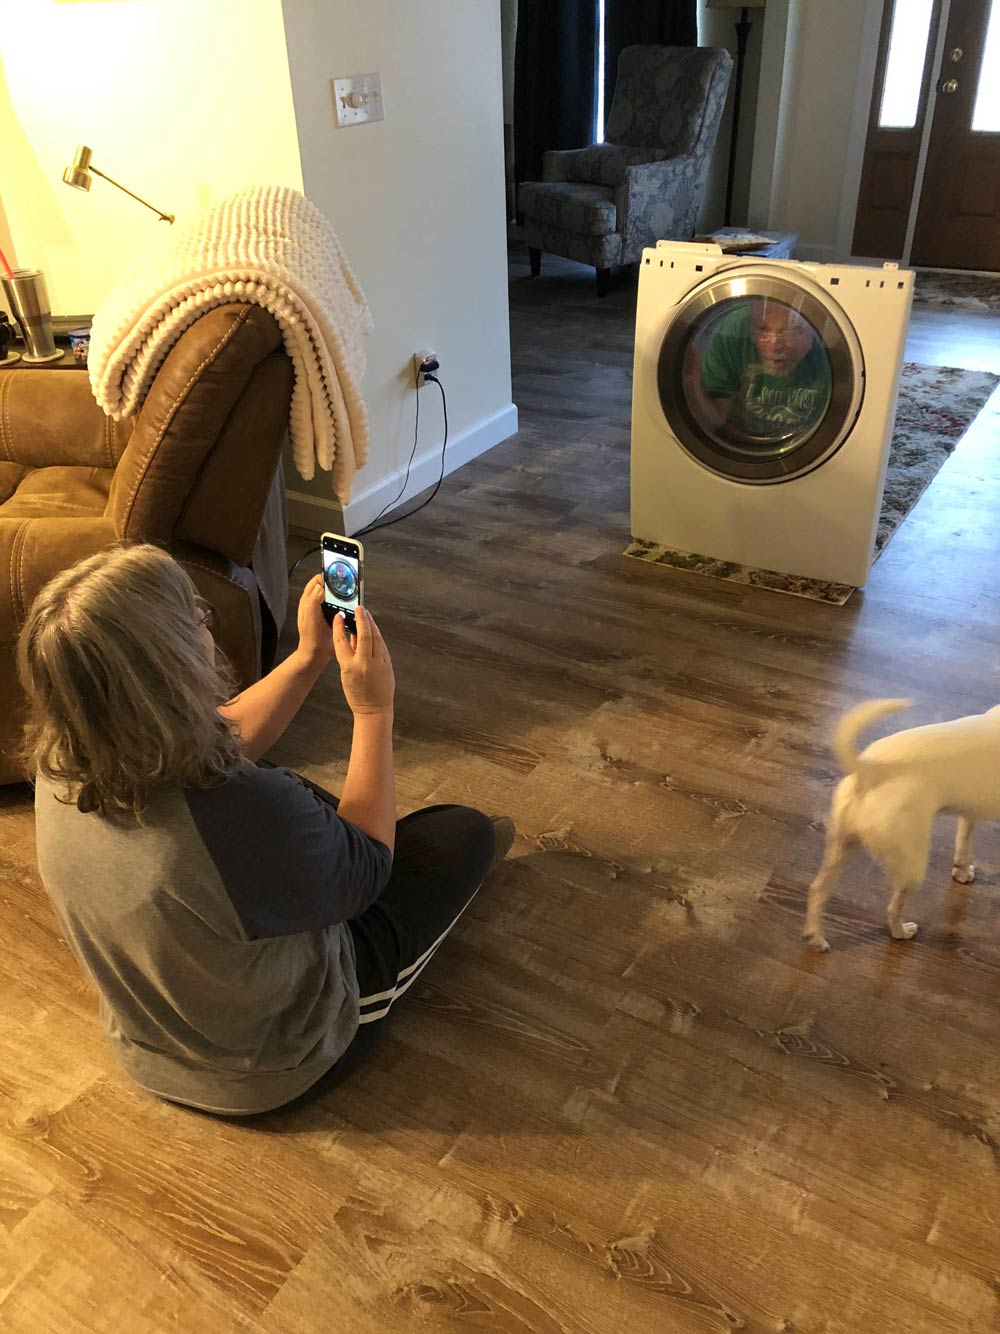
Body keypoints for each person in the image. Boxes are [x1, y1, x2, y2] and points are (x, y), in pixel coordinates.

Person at [17, 544, 514, 1116]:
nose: (208, 626)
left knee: (301, 800)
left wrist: (307, 656)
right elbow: (370, 868)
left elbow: (218, 744)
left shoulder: (63, 759)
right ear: (172, 663)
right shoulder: (239, 813)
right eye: (197, 619)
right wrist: (375, 712)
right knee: (462, 833)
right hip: (276, 1062)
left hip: (149, 1046)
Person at [687, 297, 832, 444]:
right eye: (762, 330)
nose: (775, 346)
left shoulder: (835, 351)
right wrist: (693, 380)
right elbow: (714, 419)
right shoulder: (732, 333)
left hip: (810, 445)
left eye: (792, 331)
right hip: (737, 441)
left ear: (818, 326)